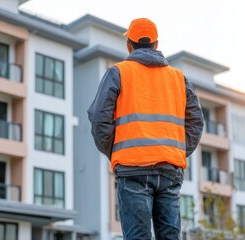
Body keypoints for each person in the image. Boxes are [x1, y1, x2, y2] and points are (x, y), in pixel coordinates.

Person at [87, 18, 204, 239]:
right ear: (156, 44)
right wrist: (176, 150)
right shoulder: (179, 78)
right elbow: (196, 121)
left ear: (129, 45)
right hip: (169, 170)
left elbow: (98, 119)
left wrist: (115, 152)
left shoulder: (118, 72)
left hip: (133, 169)